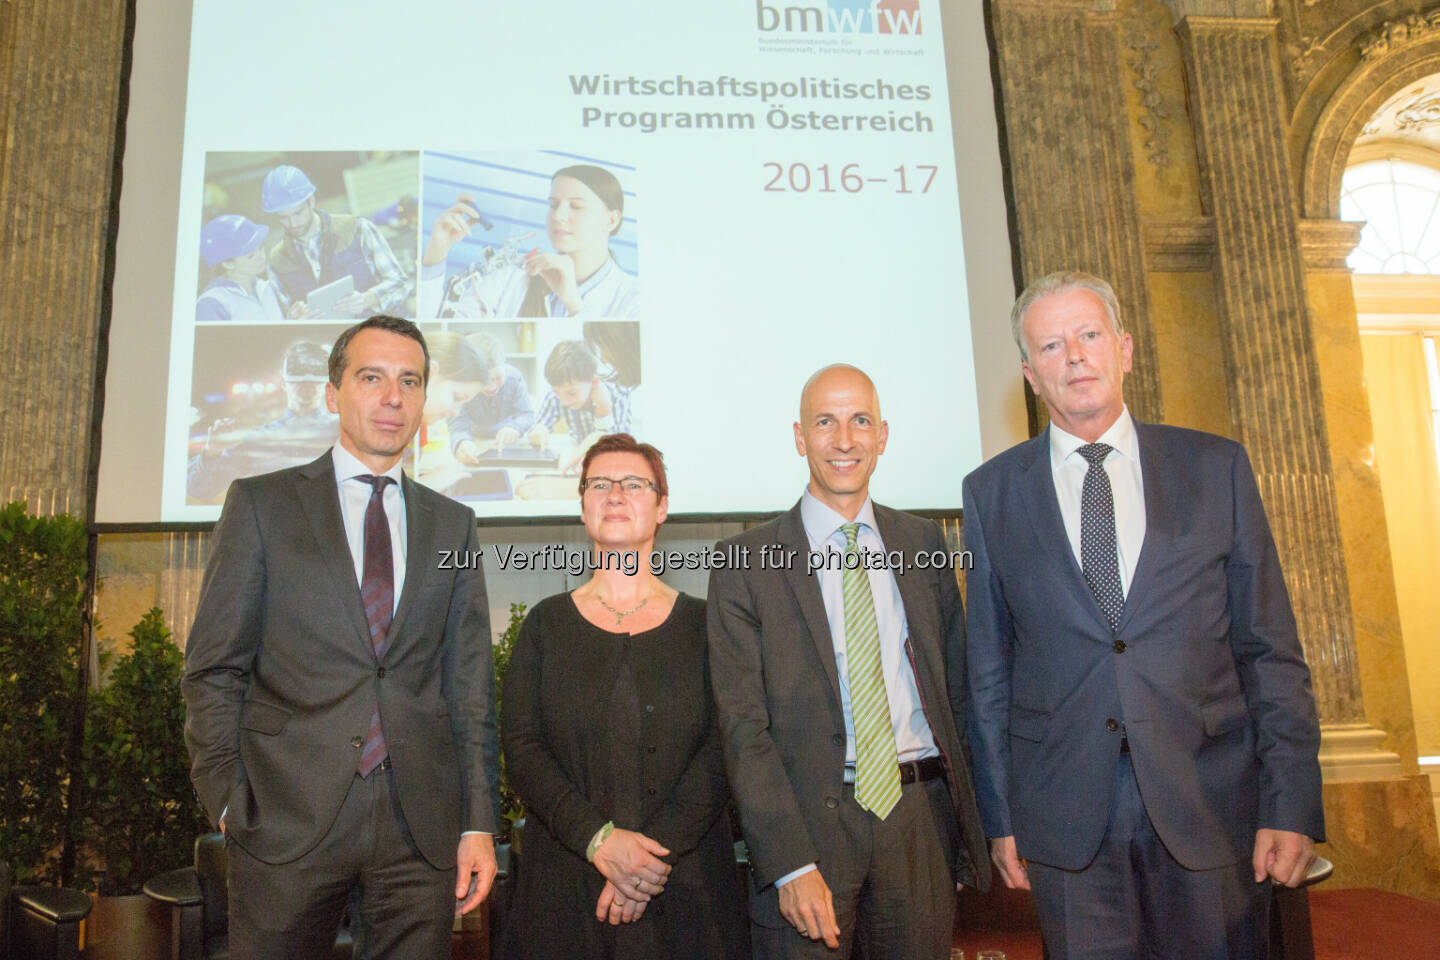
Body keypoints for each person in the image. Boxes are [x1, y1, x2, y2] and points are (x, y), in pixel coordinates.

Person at [963, 271, 1324, 959]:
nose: (1073, 356)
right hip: (1067, 824)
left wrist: (1289, 802)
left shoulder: (1215, 467)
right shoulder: (991, 495)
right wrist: (1001, 817)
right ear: (1029, 375)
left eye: (1089, 334)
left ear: (1124, 349)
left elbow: (1270, 648)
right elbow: (989, 673)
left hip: (1211, 808)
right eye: (1050, 345)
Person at [183, 316, 500, 958]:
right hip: (284, 819)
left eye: (409, 381)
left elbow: (468, 686)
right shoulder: (260, 504)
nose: (393, 397)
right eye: (372, 377)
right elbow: (215, 669)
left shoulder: (453, 525)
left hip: (420, 829)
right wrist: (226, 801)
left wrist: (477, 821)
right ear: (333, 394)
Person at [707, 365, 989, 958]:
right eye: (825, 422)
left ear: (882, 435)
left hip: (920, 824)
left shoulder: (923, 545)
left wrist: (972, 832)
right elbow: (742, 729)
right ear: (798, 436)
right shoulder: (744, 563)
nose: (844, 439)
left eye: (860, 420)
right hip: (808, 829)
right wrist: (787, 863)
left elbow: (959, 692)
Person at [500, 433, 749, 959]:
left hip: (687, 889)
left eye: (634, 484)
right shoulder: (543, 625)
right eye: (600, 484)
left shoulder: (709, 625)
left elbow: (726, 747)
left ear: (662, 507)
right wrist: (601, 842)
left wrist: (644, 863)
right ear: (583, 504)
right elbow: (522, 750)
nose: (615, 495)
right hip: (565, 893)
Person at [420, 164, 639, 320]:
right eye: (553, 205)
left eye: (576, 206)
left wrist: (573, 303)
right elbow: (435, 331)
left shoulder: (633, 298)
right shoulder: (514, 275)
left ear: (611, 220)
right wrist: (436, 252)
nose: (559, 216)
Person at [187, 340, 338, 502]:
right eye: (299, 379)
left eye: (313, 380)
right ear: (283, 383)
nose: (307, 386)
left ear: (326, 384)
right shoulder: (257, 439)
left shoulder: (342, 434)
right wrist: (212, 452)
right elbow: (198, 489)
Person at [261, 164, 411, 318]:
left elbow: (401, 284)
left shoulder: (357, 229)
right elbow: (281, 319)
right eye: (283, 218)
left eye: (298, 213)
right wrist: (293, 320)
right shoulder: (276, 261)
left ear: (311, 202)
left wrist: (368, 299)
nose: (293, 223)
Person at [529, 339, 630, 473]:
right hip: (578, 460)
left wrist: (603, 408)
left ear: (593, 382)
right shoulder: (557, 396)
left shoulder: (617, 395)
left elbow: (617, 447)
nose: (564, 402)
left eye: (572, 393)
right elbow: (540, 425)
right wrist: (539, 431)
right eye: (557, 392)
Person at [450, 331, 536, 461]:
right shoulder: (464, 384)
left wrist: (515, 427)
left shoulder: (515, 378)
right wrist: (462, 442)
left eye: (497, 377)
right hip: (474, 441)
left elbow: (526, 414)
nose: (491, 387)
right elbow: (458, 422)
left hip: (509, 444)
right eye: (483, 381)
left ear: (504, 364)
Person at [196, 214, 289, 323]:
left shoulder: (268, 288)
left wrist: (292, 320)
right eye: (251, 256)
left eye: (261, 248)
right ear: (227, 264)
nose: (261, 257)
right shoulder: (212, 302)